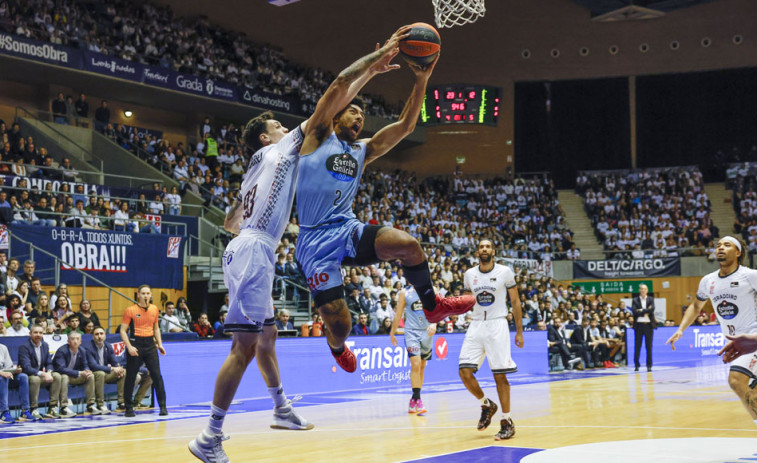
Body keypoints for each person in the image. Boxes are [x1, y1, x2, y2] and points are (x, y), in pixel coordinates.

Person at [294, 25, 472, 374]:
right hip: (314, 241)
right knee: (340, 324)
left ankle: (433, 304)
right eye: (353, 111)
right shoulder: (317, 135)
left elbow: (406, 125)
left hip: (347, 229)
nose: (359, 117)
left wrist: (421, 79)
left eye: (362, 115)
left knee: (408, 245)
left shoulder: (363, 149)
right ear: (337, 114)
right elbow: (339, 85)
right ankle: (336, 346)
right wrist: (379, 58)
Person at [667, 236, 757, 426]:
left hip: (752, 338)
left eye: (726, 245)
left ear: (738, 252)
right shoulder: (708, 281)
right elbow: (696, 306)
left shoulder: (749, 276)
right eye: (718, 246)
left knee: (735, 380)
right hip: (735, 343)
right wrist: (681, 329)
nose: (720, 248)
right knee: (749, 389)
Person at [459, 239, 524, 441]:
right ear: (477, 252)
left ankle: (507, 420)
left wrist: (519, 331)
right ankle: (487, 404)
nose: (484, 249)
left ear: (493, 251)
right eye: (481, 247)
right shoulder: (469, 275)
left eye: (487, 247)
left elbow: (515, 301)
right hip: (476, 324)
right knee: (464, 371)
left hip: (498, 324)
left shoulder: (504, 272)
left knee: (499, 376)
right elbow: (467, 301)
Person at [120, 285, 167, 417]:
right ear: (138, 295)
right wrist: (129, 347)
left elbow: (156, 328)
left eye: (148, 293)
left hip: (150, 344)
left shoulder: (154, 309)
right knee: (131, 376)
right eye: (143, 293)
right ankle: (129, 407)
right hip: (136, 344)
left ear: (151, 295)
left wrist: (160, 344)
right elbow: (123, 330)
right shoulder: (130, 310)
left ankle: (163, 406)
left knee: (157, 375)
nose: (146, 296)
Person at [390, 285, 436, 414]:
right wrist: (392, 332)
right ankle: (418, 399)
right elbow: (399, 313)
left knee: (422, 366)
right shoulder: (405, 292)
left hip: (426, 332)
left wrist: (434, 323)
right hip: (411, 332)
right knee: (415, 364)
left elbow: (437, 309)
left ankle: (413, 400)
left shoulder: (431, 290)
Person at [18, 324, 64, 419]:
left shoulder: (45, 345)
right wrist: (43, 374)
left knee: (57, 376)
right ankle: (33, 408)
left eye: (40, 333)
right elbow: (26, 367)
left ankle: (52, 407)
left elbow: (49, 362)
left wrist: (49, 372)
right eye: (35, 332)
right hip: (28, 375)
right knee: (35, 379)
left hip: (41, 374)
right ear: (30, 334)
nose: (38, 335)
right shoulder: (24, 347)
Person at [53, 331, 96, 416]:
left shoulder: (82, 351)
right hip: (62, 376)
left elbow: (85, 364)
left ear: (80, 341)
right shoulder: (62, 351)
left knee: (90, 376)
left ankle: (90, 405)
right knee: (64, 377)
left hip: (74, 376)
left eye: (77, 339)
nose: (75, 341)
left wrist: (87, 370)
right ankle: (64, 407)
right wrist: (79, 372)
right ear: (68, 341)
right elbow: (61, 369)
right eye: (73, 339)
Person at [87, 326, 124, 414]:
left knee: (124, 372)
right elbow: (93, 366)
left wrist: (118, 368)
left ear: (105, 336)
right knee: (100, 373)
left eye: (101, 334)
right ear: (93, 337)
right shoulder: (89, 347)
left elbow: (114, 361)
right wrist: (112, 368)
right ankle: (100, 404)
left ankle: (121, 402)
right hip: (93, 374)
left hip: (105, 373)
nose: (99, 336)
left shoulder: (108, 346)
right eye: (96, 334)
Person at [0, 341, 34, 423]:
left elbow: (8, 367)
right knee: (2, 378)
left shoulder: (3, 347)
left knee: (23, 377)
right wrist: (1, 373)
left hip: (5, 376)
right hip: (1, 377)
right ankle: (3, 412)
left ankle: (25, 411)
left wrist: (15, 371)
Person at [631, 283, 656, 372]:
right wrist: (645, 311)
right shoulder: (635, 300)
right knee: (637, 346)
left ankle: (649, 365)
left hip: (648, 325)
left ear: (647, 290)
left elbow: (652, 309)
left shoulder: (651, 299)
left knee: (649, 346)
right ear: (639, 290)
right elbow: (634, 311)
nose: (643, 290)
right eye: (641, 289)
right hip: (639, 326)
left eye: (644, 289)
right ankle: (636, 365)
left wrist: (641, 310)